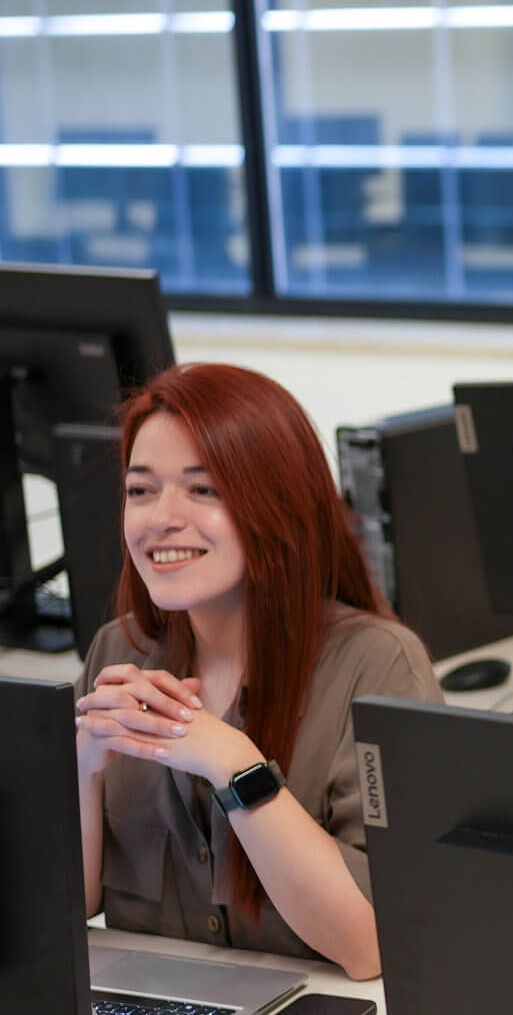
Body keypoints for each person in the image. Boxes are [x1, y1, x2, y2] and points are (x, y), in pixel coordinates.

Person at [73, 363, 443, 978]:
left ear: (276, 506)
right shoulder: (119, 651)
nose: (160, 518)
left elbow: (372, 944)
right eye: (140, 490)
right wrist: (81, 770)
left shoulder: (376, 664)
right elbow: (74, 904)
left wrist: (233, 764)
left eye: (203, 489)